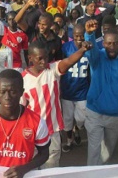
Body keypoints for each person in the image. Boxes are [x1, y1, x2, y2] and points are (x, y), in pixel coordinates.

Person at [21, 38, 93, 168]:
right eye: (40, 58)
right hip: (32, 134)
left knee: (50, 169)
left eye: (46, 57)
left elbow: (69, 61)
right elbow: (21, 109)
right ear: (30, 58)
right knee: (31, 168)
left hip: (52, 132)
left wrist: (82, 50)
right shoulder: (23, 79)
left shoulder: (53, 70)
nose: (44, 61)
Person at [0, 69, 50, 177]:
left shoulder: (37, 122)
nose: (7, 97)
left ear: (21, 92)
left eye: (12, 91)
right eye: (2, 92)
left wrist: (24, 168)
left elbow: (44, 154)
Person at [84, 19, 118, 165]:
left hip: (115, 115)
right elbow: (91, 53)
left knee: (107, 152)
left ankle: (101, 172)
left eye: (115, 43)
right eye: (108, 43)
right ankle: (91, 175)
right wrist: (89, 34)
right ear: (103, 44)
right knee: (94, 151)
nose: (112, 47)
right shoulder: (98, 57)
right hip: (94, 112)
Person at [60, 24, 90, 153]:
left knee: (81, 118)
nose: (79, 38)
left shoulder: (89, 49)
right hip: (67, 90)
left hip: (82, 91)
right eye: (76, 35)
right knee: (67, 119)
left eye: (81, 35)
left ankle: (77, 129)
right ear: (72, 35)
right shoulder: (65, 48)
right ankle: (69, 140)